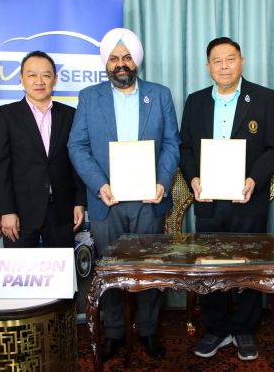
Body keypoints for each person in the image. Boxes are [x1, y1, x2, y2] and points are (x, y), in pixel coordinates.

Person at [68, 28, 180, 361]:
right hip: (108, 200)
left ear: (137, 61)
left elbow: (172, 143)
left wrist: (162, 182)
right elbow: (77, 146)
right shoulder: (90, 97)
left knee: (149, 268)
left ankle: (148, 330)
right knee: (110, 270)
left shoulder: (159, 94)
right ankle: (114, 331)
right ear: (106, 63)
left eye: (127, 57)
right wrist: (98, 184)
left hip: (149, 200)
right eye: (115, 58)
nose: (121, 64)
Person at [179, 37, 274, 361]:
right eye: (217, 60)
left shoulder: (264, 98)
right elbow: (185, 148)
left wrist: (253, 179)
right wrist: (193, 179)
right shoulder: (195, 101)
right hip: (208, 201)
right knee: (210, 267)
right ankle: (217, 328)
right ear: (208, 66)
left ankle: (244, 329)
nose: (224, 66)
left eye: (230, 59)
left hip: (248, 200)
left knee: (249, 267)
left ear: (242, 61)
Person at [0, 51, 85, 248]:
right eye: (32, 75)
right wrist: (6, 211)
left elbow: (77, 161)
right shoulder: (5, 115)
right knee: (19, 268)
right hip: (20, 213)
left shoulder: (70, 115)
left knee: (61, 266)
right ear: (21, 78)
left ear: (55, 79)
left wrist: (80, 202)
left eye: (46, 75)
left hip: (62, 210)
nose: (39, 81)